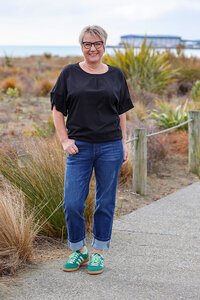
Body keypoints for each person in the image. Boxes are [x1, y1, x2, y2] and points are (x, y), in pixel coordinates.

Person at [50, 25, 134, 275]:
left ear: (104, 46)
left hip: (110, 147)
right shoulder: (69, 73)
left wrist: (123, 142)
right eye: (87, 44)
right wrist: (65, 140)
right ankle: (79, 251)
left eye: (97, 43)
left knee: (105, 203)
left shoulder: (116, 75)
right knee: (73, 203)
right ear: (81, 46)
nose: (92, 48)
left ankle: (98, 252)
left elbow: (121, 113)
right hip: (79, 148)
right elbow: (57, 110)